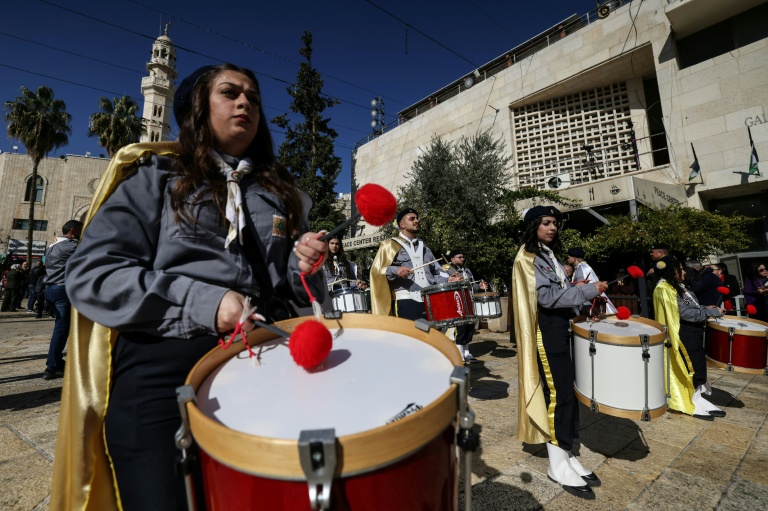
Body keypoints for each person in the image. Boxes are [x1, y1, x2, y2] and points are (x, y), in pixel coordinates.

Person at [52, 63, 328, 511]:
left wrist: (305, 266)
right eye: (229, 93)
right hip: (165, 359)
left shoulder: (282, 195)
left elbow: (292, 292)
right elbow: (93, 273)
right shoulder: (152, 177)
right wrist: (207, 302)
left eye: (254, 98)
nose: (245, 103)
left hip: (261, 352)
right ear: (197, 108)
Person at [512, 205, 607, 499]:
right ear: (533, 226)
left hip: (560, 327)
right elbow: (548, 297)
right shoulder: (528, 257)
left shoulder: (548, 254)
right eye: (546, 223)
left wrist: (582, 306)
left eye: (555, 223)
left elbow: (562, 293)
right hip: (545, 332)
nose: (552, 228)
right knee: (557, 393)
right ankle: (556, 463)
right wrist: (589, 290)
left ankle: (566, 450)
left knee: (568, 391)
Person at [651, 255, 725, 420]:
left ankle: (698, 398)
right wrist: (711, 312)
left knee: (699, 365)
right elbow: (684, 314)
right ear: (672, 271)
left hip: (693, 331)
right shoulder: (665, 288)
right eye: (680, 269)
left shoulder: (676, 286)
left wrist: (706, 307)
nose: (684, 272)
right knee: (693, 367)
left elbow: (691, 306)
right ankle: (690, 400)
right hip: (685, 333)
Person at [369, 208, 459, 320]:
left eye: (417, 218)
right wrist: (396, 270)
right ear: (402, 224)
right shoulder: (389, 245)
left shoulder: (425, 248)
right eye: (412, 219)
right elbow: (376, 271)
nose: (416, 221)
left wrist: (447, 280)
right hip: (405, 301)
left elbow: (434, 274)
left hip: (429, 300)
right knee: (409, 337)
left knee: (429, 336)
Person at [41, 220, 83, 380]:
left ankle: (56, 362)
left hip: (50, 289)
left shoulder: (52, 246)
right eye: (80, 231)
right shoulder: (72, 247)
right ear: (72, 231)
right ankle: (52, 366)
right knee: (62, 328)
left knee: (60, 326)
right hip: (62, 290)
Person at [442, 248, 488, 363]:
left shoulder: (467, 270)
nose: (463, 259)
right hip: (456, 301)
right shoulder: (446, 269)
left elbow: (471, 285)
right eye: (460, 257)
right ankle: (458, 353)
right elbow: (443, 283)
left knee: (469, 327)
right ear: (452, 259)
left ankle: (466, 352)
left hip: (469, 301)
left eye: (463, 257)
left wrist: (480, 286)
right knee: (460, 328)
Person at [566, 247, 616, 315]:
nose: (567, 259)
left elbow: (582, 290)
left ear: (574, 258)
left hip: (590, 305)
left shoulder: (582, 268)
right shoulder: (584, 267)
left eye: (568, 257)